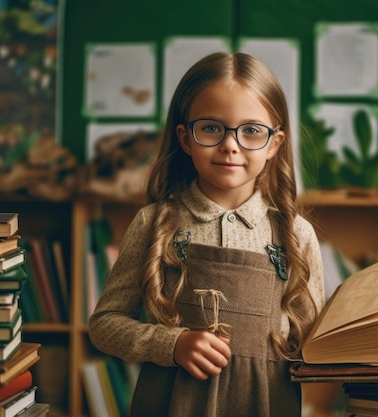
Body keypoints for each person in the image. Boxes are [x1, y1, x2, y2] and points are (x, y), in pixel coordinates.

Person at [88, 51, 325, 417]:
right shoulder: (152, 223)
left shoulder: (296, 235)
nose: (231, 144)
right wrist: (170, 344)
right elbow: (104, 326)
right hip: (170, 405)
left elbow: (317, 345)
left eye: (251, 130)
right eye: (212, 128)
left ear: (274, 144)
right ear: (185, 138)